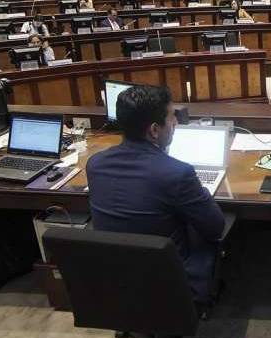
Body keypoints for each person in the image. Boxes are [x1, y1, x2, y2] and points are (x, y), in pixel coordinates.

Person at [86, 85, 225, 303]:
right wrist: (202, 193)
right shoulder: (178, 173)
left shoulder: (95, 164)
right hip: (172, 285)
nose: (176, 123)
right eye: (172, 118)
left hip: (117, 278)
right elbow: (216, 228)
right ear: (154, 130)